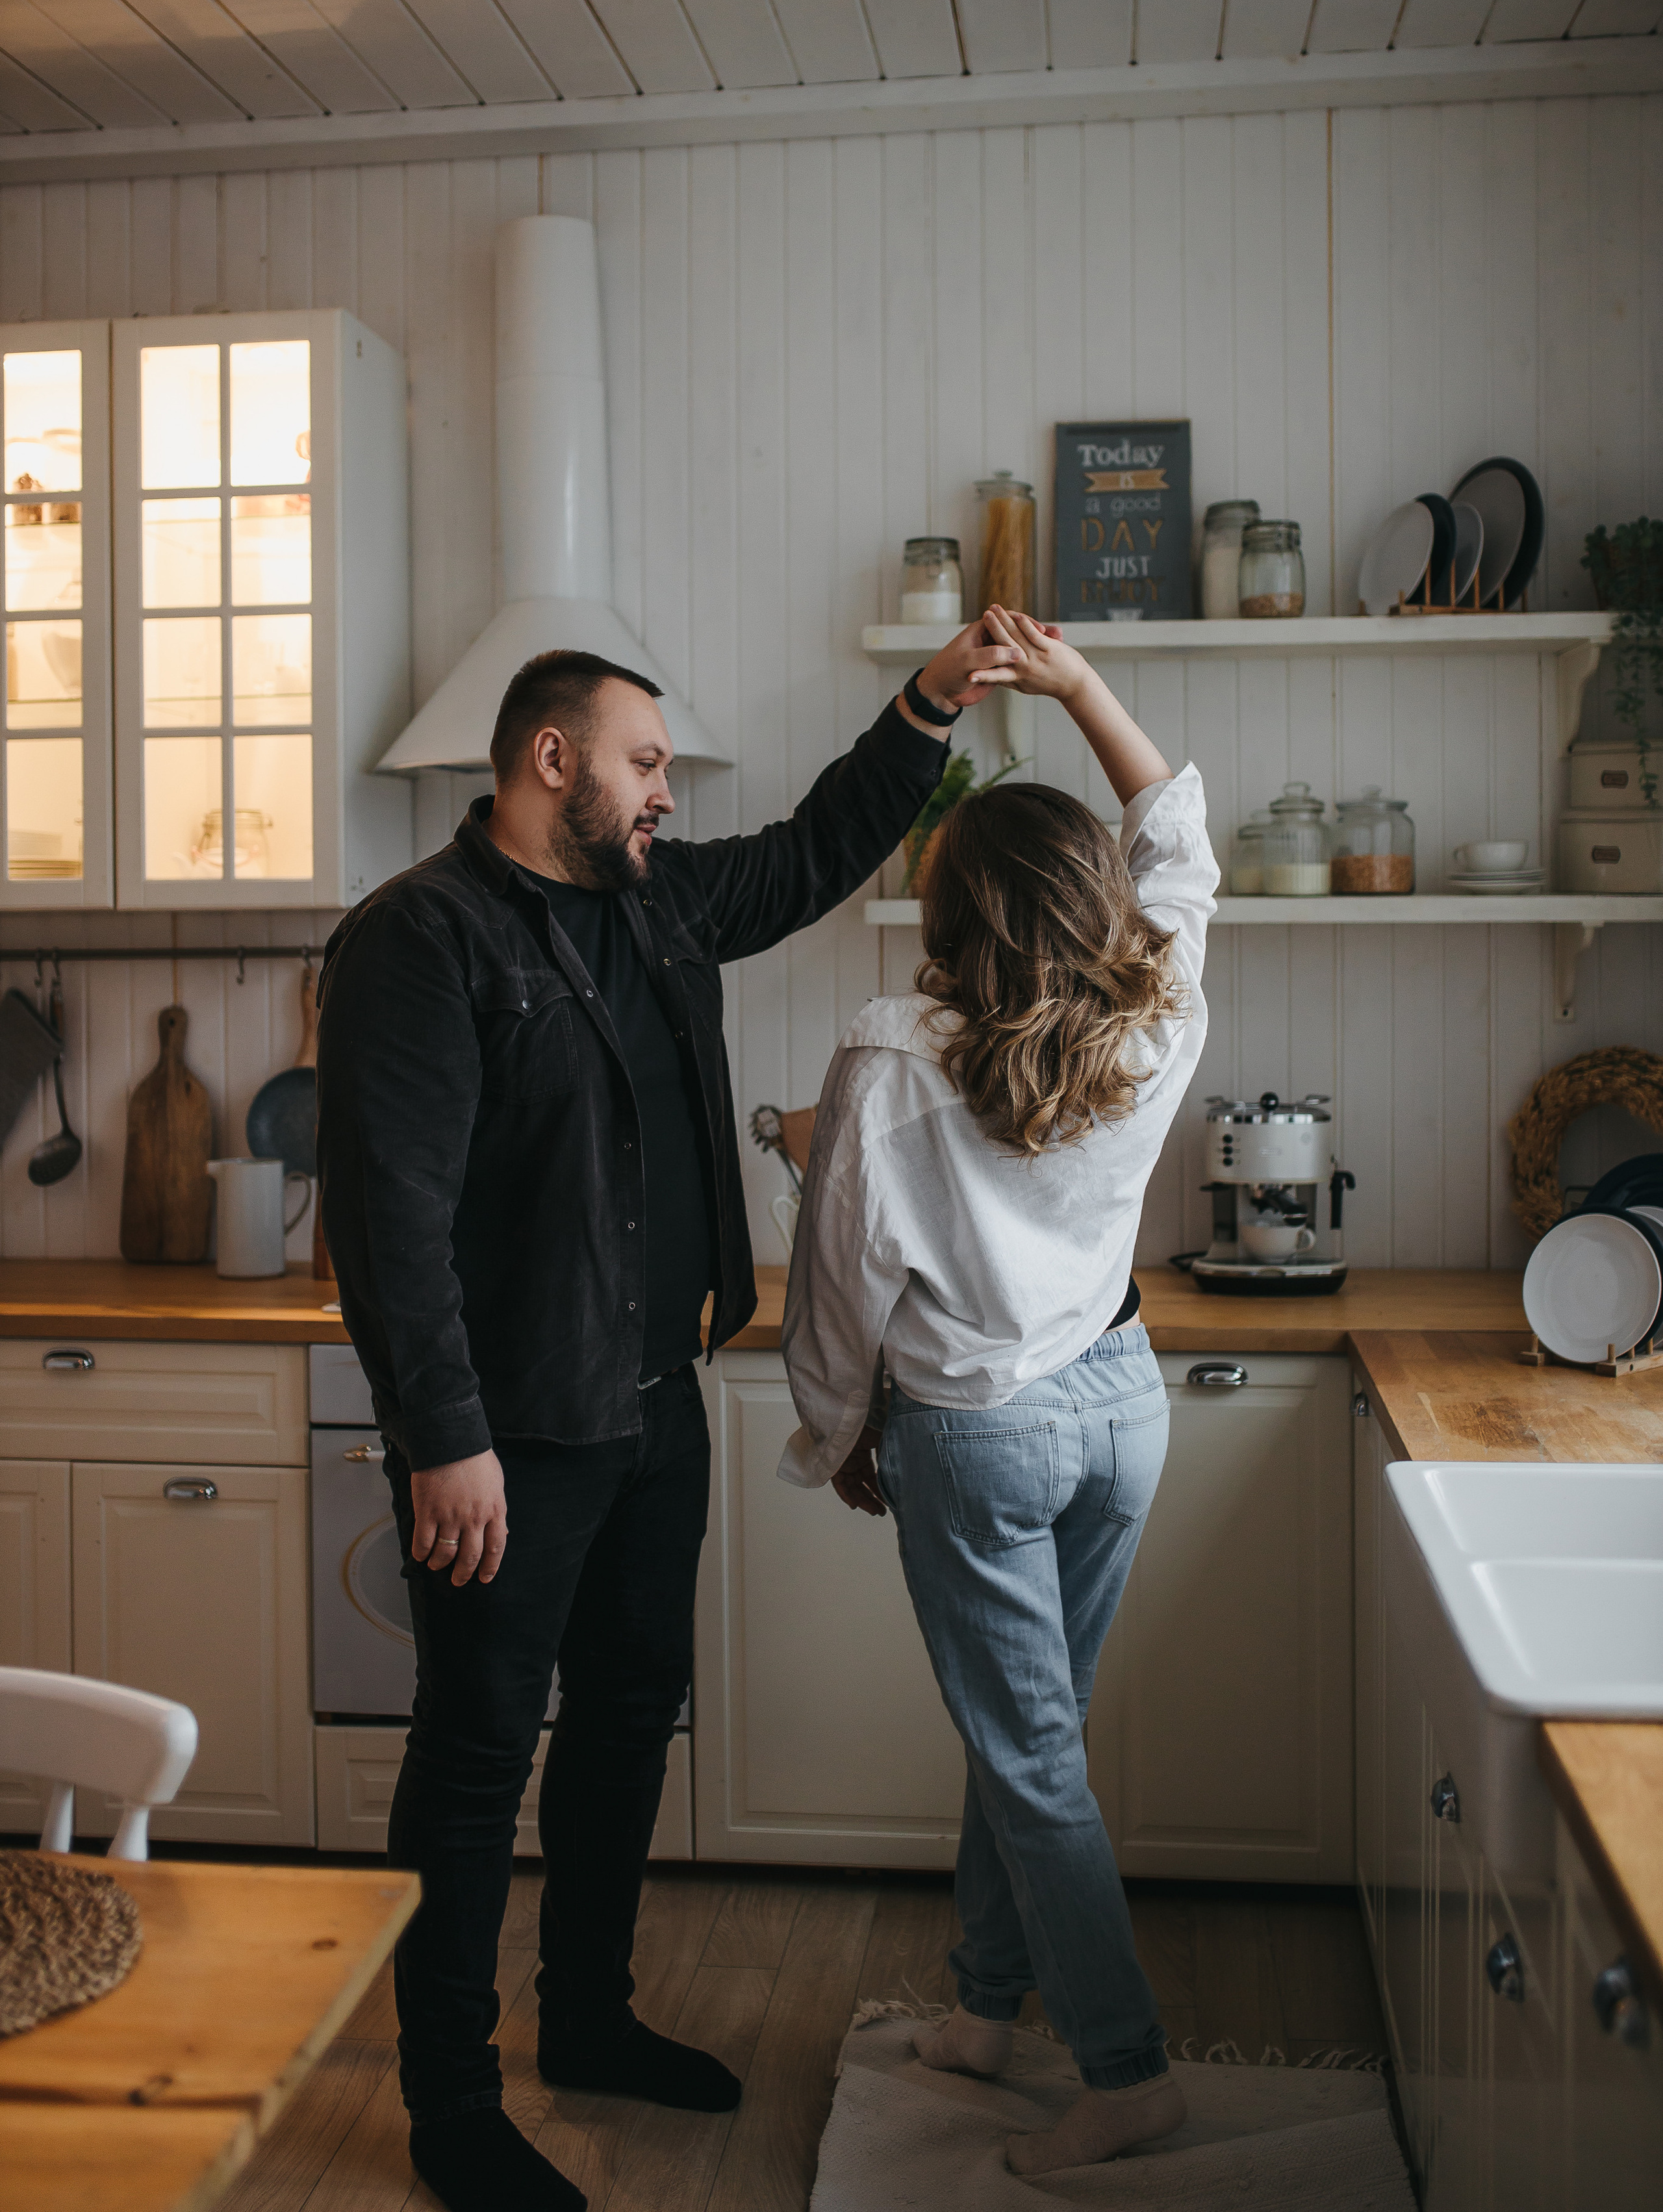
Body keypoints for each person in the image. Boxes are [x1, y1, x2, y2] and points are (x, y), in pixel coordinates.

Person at [314, 626, 1019, 2212]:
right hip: (510, 1434)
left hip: (655, 1403)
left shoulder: (663, 903)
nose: (665, 796)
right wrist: (442, 1435)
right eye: (644, 765)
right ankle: (449, 2102)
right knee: (477, 1759)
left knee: (630, 1720)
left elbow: (819, 848)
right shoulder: (418, 940)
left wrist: (927, 704)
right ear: (548, 760)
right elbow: (389, 1219)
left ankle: (589, 2025)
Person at [778, 609, 1219, 2176]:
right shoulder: (1156, 1007)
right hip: (1122, 1403)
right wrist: (1078, 684)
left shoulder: (891, 1051)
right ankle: (980, 2010)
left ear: (940, 906)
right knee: (1030, 1738)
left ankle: (1125, 2071)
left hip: (974, 1435)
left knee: (1027, 1746)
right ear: (1090, 900)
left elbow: (841, 1286)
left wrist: (832, 1433)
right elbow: (1181, 842)